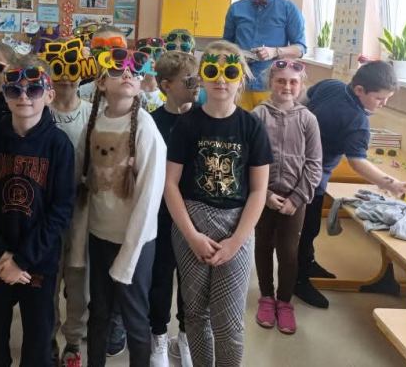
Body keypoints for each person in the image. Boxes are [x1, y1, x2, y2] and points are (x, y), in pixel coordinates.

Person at [164, 40, 272, 367]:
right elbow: (170, 184)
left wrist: (236, 241)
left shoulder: (252, 127)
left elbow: (259, 191)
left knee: (229, 322)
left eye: (230, 72)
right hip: (191, 226)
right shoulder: (187, 124)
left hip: (236, 227)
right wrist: (192, 236)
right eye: (212, 70)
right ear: (202, 76)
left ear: (241, 78)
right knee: (195, 314)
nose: (221, 79)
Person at [0, 57, 75, 366]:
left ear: (49, 95)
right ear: (5, 96)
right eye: (15, 91)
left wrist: (22, 260)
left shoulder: (59, 145)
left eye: (34, 90)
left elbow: (61, 209)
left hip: (38, 261)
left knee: (39, 342)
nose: (24, 97)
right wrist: (1, 255)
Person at [294, 61, 406, 309]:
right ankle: (299, 280)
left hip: (294, 164)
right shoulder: (358, 121)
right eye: (379, 98)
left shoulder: (331, 85)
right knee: (307, 228)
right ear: (360, 90)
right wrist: (392, 184)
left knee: (305, 227)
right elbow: (357, 162)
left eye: (387, 98)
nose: (383, 104)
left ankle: (307, 263)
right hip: (311, 178)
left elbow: (303, 99)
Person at [82, 48, 166, 367]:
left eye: (134, 69)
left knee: (134, 317)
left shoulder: (145, 128)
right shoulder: (95, 120)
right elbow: (84, 181)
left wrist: (128, 257)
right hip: (99, 237)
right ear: (101, 83)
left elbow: (148, 200)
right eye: (117, 69)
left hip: (135, 242)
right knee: (99, 313)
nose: (128, 73)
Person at [251, 60, 322, 335]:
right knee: (263, 246)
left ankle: (284, 302)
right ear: (271, 82)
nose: (287, 86)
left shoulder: (308, 119)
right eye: (281, 80)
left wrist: (298, 197)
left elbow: (314, 163)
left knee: (289, 252)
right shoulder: (257, 116)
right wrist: (265, 194)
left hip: (295, 199)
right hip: (263, 196)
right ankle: (266, 297)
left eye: (293, 82)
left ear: (301, 85)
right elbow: (247, 160)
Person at [40, 39, 93, 367]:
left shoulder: (91, 112)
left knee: (77, 279)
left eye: (72, 70)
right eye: (58, 71)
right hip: (45, 210)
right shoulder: (40, 111)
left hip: (81, 210)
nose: (65, 79)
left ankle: (73, 340)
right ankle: (47, 337)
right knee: (48, 277)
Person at [147, 51, 199, 367]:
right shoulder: (152, 121)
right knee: (161, 277)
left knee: (190, 281)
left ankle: (186, 337)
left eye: (196, 79)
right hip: (161, 214)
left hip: (195, 212)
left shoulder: (202, 119)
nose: (195, 86)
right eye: (187, 81)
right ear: (166, 85)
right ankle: (158, 337)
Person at [222, 0, 306, 111]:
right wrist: (236, 56)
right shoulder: (235, 9)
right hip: (239, 84)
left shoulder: (288, 8)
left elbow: (300, 49)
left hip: (272, 87)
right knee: (240, 124)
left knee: (269, 125)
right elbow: (225, 46)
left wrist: (275, 52)